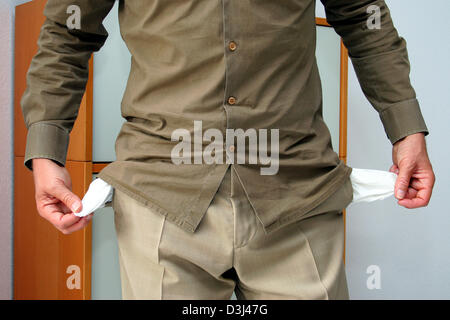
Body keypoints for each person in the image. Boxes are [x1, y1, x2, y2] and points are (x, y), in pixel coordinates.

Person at [22, 0, 435, 299]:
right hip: (161, 199)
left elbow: (365, 17)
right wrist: (46, 152)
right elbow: (66, 32)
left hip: (297, 198)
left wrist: (406, 130)